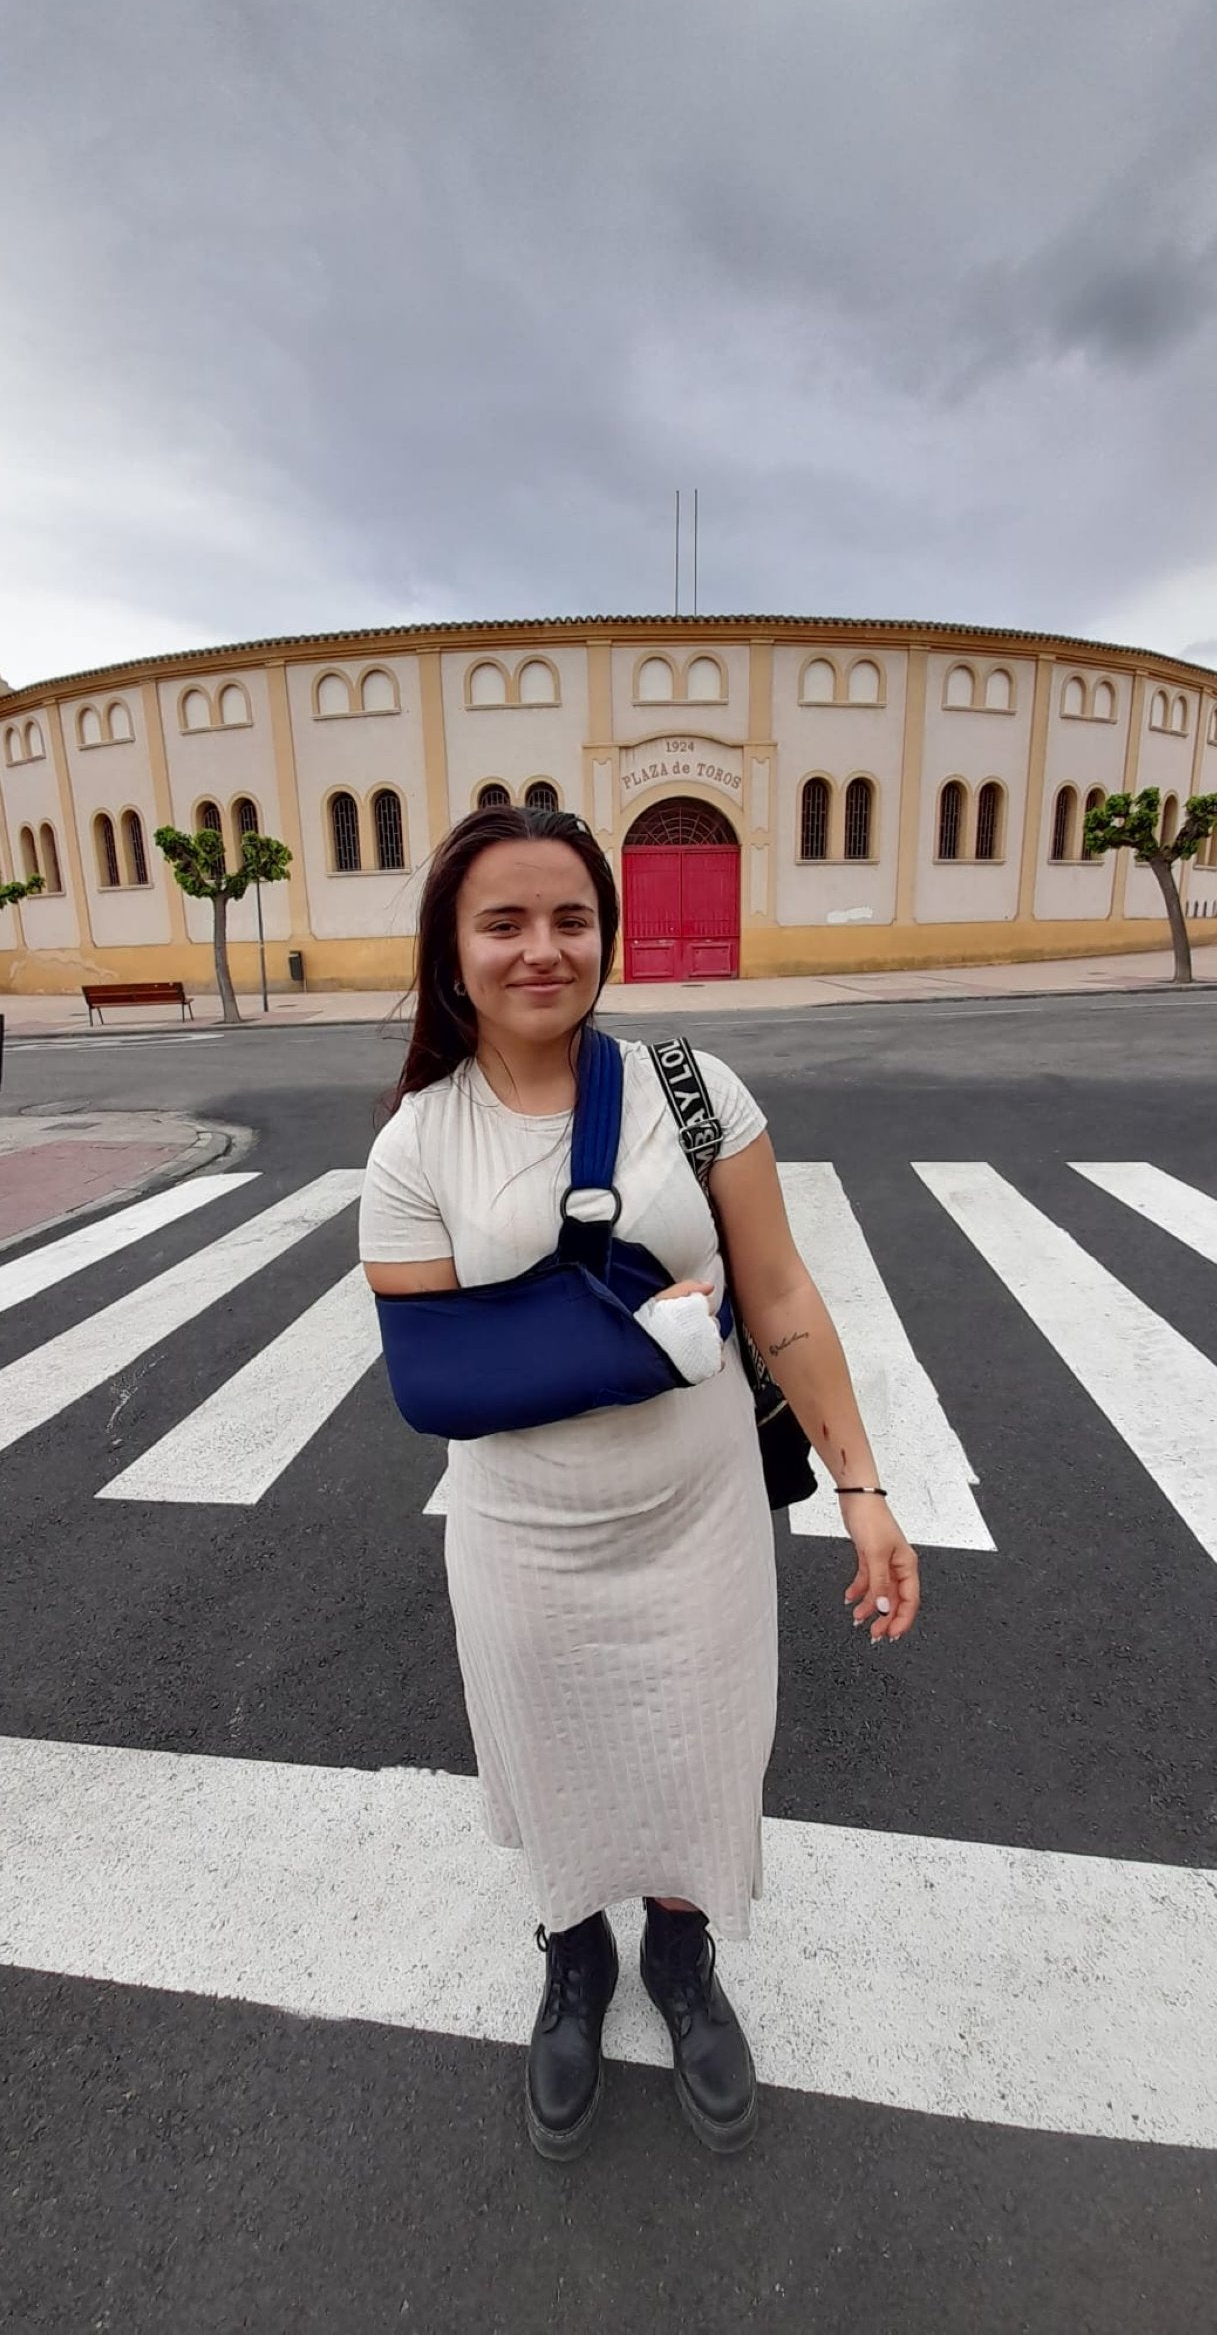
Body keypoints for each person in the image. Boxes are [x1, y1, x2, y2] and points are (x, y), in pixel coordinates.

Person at [359, 804, 919, 2162]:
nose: (542, 950)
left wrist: (862, 1486)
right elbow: (433, 1379)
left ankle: (681, 1962)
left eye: (572, 920)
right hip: (525, 1530)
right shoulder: (416, 1146)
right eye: (504, 923)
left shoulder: (693, 1091)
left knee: (702, 1747)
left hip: (698, 1513)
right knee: (551, 1757)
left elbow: (777, 1295)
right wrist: (631, 1343)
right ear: (451, 949)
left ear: (603, 935)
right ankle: (573, 1961)